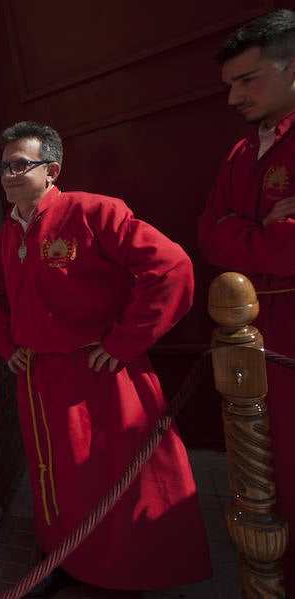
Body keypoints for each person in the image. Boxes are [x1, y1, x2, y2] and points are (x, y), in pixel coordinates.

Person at [0, 121, 212, 592]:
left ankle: (122, 575)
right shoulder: (6, 235)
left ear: (52, 170)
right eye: (3, 166)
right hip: (40, 381)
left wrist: (123, 343)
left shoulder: (92, 212)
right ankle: (66, 561)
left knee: (113, 481)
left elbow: (171, 268)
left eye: (20, 165)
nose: (8, 175)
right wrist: (8, 346)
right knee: (56, 478)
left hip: (99, 376)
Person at [198, 9, 295, 594]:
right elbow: (209, 235)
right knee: (264, 469)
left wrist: (243, 232)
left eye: (248, 79)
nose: (234, 96)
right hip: (250, 337)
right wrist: (264, 231)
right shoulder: (240, 153)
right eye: (229, 83)